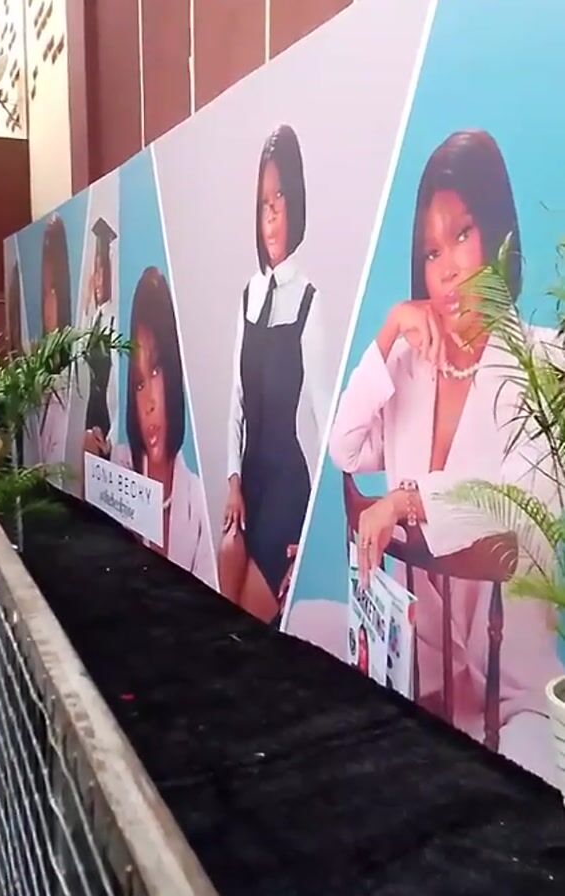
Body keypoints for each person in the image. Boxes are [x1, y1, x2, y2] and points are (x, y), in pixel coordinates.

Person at [324, 130, 562, 782]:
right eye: (432, 251)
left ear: (498, 235)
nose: (448, 267)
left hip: (508, 696)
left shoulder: (544, 361)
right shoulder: (409, 362)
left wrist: (404, 502)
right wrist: (387, 333)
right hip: (418, 677)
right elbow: (345, 446)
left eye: (462, 235)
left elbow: (516, 504)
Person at [219, 124, 328, 623]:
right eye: (264, 203)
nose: (271, 216)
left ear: (296, 202)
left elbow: (322, 419)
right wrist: (232, 482)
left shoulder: (309, 301)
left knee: (250, 619)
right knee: (225, 583)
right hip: (249, 484)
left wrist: (318, 528)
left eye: (280, 199)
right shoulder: (248, 295)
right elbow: (235, 405)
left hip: (287, 488)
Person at [105, 267, 215, 586]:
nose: (148, 403)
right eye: (139, 384)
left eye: (155, 372)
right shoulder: (118, 468)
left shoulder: (199, 505)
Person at [82, 217, 119, 462]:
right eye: (96, 272)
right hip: (89, 418)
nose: (98, 281)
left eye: (102, 271)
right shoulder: (92, 320)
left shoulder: (114, 321)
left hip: (106, 425)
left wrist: (111, 436)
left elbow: (118, 389)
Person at [37, 213, 72, 470]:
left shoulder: (74, 379)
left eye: (51, 291)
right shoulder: (38, 377)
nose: (45, 305)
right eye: (44, 292)